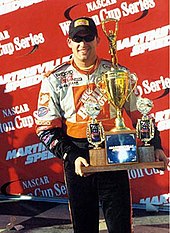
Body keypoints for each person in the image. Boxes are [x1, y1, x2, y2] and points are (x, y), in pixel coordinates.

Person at [35, 17, 168, 233]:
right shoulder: (54, 79)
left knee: (120, 226)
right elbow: (45, 129)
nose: (83, 44)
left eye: (88, 38)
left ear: (98, 40)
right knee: (84, 226)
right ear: (69, 42)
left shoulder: (117, 73)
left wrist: (155, 145)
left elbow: (140, 115)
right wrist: (70, 155)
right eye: (77, 38)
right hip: (78, 157)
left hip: (115, 152)